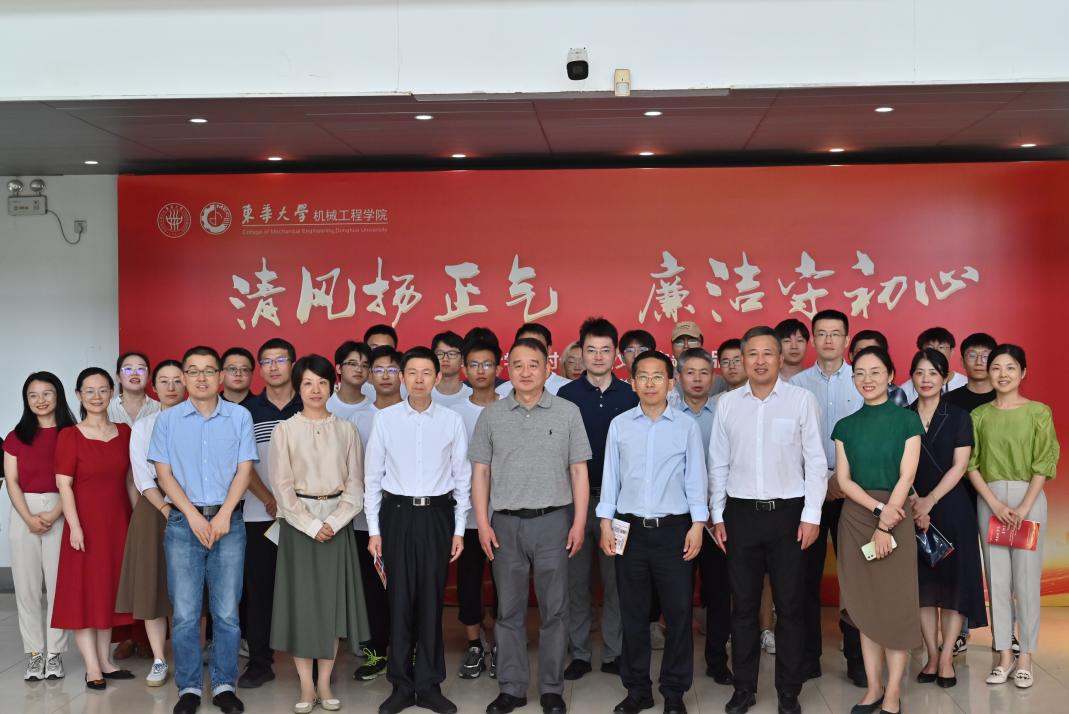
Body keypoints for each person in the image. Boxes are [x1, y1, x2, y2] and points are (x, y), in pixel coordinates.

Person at [470, 336, 592, 714]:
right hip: (505, 525)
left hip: (554, 521)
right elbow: (480, 473)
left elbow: (579, 471)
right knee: (509, 611)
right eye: (518, 365)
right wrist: (483, 523)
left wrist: (579, 523)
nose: (525, 372)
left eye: (533, 364)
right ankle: (512, 688)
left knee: (555, 609)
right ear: (508, 369)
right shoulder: (491, 415)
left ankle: (552, 688)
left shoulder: (567, 412)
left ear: (547, 368)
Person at [710, 326, 826, 714]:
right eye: (752, 354)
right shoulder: (728, 404)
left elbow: (815, 461)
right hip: (740, 515)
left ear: (780, 358)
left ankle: (788, 691)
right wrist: (717, 515)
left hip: (789, 516)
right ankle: (744, 688)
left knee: (790, 608)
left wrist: (811, 516)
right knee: (743, 608)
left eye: (767, 353)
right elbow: (718, 463)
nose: (760, 361)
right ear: (743, 359)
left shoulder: (801, 400)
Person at [598, 350, 707, 714]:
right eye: (642, 377)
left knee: (678, 614)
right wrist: (605, 522)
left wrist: (698, 525)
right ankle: (637, 690)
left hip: (674, 530)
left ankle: (674, 692)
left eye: (657, 376)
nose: (649, 383)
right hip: (629, 530)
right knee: (633, 614)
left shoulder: (686, 427)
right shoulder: (620, 425)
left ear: (670, 383)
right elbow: (610, 478)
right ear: (632, 383)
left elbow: (696, 479)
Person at [149, 345, 256, 714]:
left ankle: (225, 684)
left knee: (226, 612)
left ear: (221, 377)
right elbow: (163, 474)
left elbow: (245, 469)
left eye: (209, 370)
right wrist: (193, 516)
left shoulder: (239, 416)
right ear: (184, 377)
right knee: (184, 613)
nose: (201, 377)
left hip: (229, 523)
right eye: (193, 371)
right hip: (184, 524)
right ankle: (190, 688)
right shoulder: (168, 420)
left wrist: (224, 514)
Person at [365, 347, 471, 714]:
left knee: (430, 601)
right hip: (396, 515)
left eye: (427, 372)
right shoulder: (386, 420)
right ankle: (400, 684)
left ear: (438, 377)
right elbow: (372, 478)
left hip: (437, 516)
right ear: (402, 377)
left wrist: (459, 530)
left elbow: (462, 478)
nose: (419, 379)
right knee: (399, 600)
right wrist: (374, 531)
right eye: (412, 372)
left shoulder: (451, 421)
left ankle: (429, 685)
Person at [270, 354, 369, 714]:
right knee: (302, 608)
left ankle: (324, 682)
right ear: (298, 387)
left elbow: (356, 484)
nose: (315, 390)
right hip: (299, 528)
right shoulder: (285, 430)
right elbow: (282, 487)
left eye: (322, 383)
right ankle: (305, 683)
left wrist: (335, 521)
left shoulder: (347, 430)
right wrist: (311, 524)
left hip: (337, 527)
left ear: (333, 385)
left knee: (331, 607)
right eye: (308, 383)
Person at [832, 346, 924, 714]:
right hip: (856, 519)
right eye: (859, 373)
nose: (867, 379)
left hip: (896, 516)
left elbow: (907, 474)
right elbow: (843, 480)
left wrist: (887, 520)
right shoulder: (845, 427)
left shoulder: (907, 421)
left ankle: (893, 693)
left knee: (895, 606)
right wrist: (877, 511)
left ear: (890, 376)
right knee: (864, 608)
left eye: (875, 372)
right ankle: (873, 688)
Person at [968, 344, 1060, 690]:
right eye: (996, 367)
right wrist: (993, 502)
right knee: (997, 580)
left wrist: (1023, 507)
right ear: (988, 373)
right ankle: (1004, 654)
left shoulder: (1038, 412)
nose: (1002, 374)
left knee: (1026, 579)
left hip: (1027, 500)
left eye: (1010, 367)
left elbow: (1044, 461)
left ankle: (1026, 658)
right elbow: (971, 464)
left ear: (1023, 372)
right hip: (990, 500)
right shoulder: (979, 416)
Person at [557, 317, 637, 680]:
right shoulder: (566, 396)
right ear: (582, 352)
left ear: (616, 354)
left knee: (616, 580)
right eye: (591, 350)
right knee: (575, 581)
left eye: (606, 350)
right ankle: (579, 653)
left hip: (618, 503)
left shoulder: (631, 396)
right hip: (574, 502)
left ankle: (614, 653)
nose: (599, 356)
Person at [790, 309, 865, 686]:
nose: (829, 340)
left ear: (847, 339)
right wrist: (822, 480)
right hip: (809, 493)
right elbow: (790, 444)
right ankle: (808, 657)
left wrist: (842, 480)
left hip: (855, 492)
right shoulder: (796, 385)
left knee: (856, 577)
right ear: (813, 340)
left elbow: (870, 439)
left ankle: (857, 659)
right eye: (821, 333)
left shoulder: (863, 380)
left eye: (836, 333)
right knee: (805, 577)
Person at [51, 367, 136, 690]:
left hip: (117, 524)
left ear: (112, 393)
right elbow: (64, 485)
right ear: (78, 395)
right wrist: (74, 527)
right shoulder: (69, 436)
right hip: (84, 526)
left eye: (103, 390)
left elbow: (130, 482)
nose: (96, 396)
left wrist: (137, 521)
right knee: (84, 595)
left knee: (107, 593)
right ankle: (91, 667)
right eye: (89, 390)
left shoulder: (125, 432)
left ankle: (106, 661)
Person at [906, 349, 986, 689]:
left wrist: (930, 501)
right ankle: (930, 654)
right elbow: (897, 465)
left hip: (952, 508)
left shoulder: (958, 416)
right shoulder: (902, 417)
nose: (926, 379)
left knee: (954, 586)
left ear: (945, 378)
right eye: (919, 373)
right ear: (911, 377)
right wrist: (915, 501)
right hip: (912, 508)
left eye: (933, 373)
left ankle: (947, 656)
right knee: (923, 587)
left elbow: (960, 466)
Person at [117, 360, 186, 687]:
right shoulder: (144, 426)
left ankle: (190, 654)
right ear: (154, 387)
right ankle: (159, 658)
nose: (171, 387)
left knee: (192, 589)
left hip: (194, 508)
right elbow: (142, 476)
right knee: (153, 586)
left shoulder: (199, 421)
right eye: (164, 381)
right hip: (153, 508)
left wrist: (185, 508)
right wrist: (166, 509)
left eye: (177, 380)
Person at [4, 372, 77, 681]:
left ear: (58, 395)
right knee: (26, 587)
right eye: (33, 395)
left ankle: (55, 654)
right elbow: (12, 481)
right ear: (26, 400)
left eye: (47, 393)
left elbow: (77, 477)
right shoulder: (15, 436)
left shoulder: (71, 433)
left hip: (62, 507)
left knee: (59, 586)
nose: (41, 400)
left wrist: (57, 511)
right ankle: (34, 654)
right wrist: (28, 517)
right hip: (24, 511)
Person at [239, 337, 302, 689]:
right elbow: (242, 466)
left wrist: (293, 503)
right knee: (260, 592)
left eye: (280, 360)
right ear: (259, 369)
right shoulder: (246, 412)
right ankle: (260, 663)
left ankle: (310, 662)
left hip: (304, 516)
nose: (274, 367)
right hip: (259, 516)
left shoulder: (309, 403)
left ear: (292, 364)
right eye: (267, 361)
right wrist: (269, 499)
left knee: (305, 591)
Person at [447, 336, 504, 680]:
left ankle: (500, 643)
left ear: (498, 368)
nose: (481, 370)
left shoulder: (511, 406)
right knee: (468, 582)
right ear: (464, 369)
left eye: (487, 364)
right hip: (465, 515)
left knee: (503, 582)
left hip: (505, 513)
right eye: (474, 364)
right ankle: (473, 645)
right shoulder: (454, 413)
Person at [674, 348, 731, 685]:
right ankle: (679, 662)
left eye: (704, 372)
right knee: (679, 594)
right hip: (678, 517)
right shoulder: (667, 413)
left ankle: (717, 660)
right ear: (678, 377)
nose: (697, 379)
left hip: (717, 517)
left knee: (720, 591)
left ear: (714, 377)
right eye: (690, 372)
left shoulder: (726, 412)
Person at [349, 345, 405, 682]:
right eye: (379, 370)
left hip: (405, 518)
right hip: (365, 519)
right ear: (369, 376)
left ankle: (407, 651)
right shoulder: (358, 418)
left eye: (392, 369)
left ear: (403, 375)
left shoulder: (415, 412)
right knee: (372, 588)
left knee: (405, 587)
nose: (385, 376)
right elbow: (354, 470)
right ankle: (376, 653)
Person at [496, 323, 572, 396]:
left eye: (537, 345)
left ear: (548, 350)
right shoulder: (502, 391)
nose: (530, 351)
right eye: (524, 345)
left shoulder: (568, 388)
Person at [898, 327, 968, 403]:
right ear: (921, 353)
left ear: (952, 351)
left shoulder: (966, 384)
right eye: (930, 348)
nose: (936, 352)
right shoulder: (904, 391)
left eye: (941, 347)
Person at [669, 321, 726, 407]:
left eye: (692, 341)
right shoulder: (663, 381)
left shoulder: (719, 382)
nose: (686, 346)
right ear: (672, 347)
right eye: (679, 342)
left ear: (701, 345)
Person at [848, 331, 909, 408]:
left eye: (873, 351)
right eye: (861, 352)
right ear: (851, 356)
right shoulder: (840, 386)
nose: (867, 357)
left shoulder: (895, 393)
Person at [946, 332, 997, 413]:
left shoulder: (1004, 399)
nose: (979, 362)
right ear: (962, 362)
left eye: (985, 356)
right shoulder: (947, 401)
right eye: (972, 356)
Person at [108, 351, 160, 426]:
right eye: (128, 369)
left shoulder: (159, 408)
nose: (135, 373)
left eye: (140, 369)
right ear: (118, 377)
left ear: (148, 377)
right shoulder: (106, 408)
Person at [328, 341, 375, 421]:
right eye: (353, 364)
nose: (359, 369)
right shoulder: (325, 405)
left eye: (364, 365)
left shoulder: (374, 409)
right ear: (339, 369)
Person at [432, 330, 474, 407]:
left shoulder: (473, 396)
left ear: (462, 360)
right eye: (440, 354)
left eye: (452, 354)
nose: (445, 359)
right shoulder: (423, 395)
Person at [362, 324, 402, 399]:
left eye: (386, 349)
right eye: (374, 348)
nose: (380, 353)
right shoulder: (354, 386)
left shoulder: (406, 389)